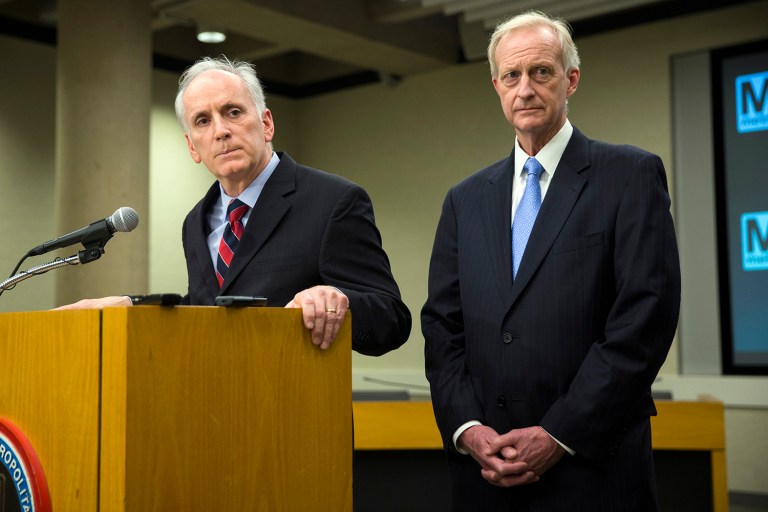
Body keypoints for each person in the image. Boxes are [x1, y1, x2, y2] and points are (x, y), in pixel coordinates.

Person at [421, 10, 680, 511]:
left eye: (541, 72)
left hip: (592, 469)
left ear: (571, 79)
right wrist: (467, 428)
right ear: (496, 86)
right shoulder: (464, 199)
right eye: (511, 76)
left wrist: (560, 433)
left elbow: (644, 320)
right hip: (486, 473)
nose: (525, 89)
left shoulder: (629, 175)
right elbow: (442, 326)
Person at [60, 55, 411, 356]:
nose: (221, 131)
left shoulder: (334, 201)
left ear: (266, 123)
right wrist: (132, 306)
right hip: (216, 404)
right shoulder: (196, 220)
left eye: (233, 112)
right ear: (193, 147)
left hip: (298, 406)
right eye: (203, 121)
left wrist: (338, 300)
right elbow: (209, 310)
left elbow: (391, 320)